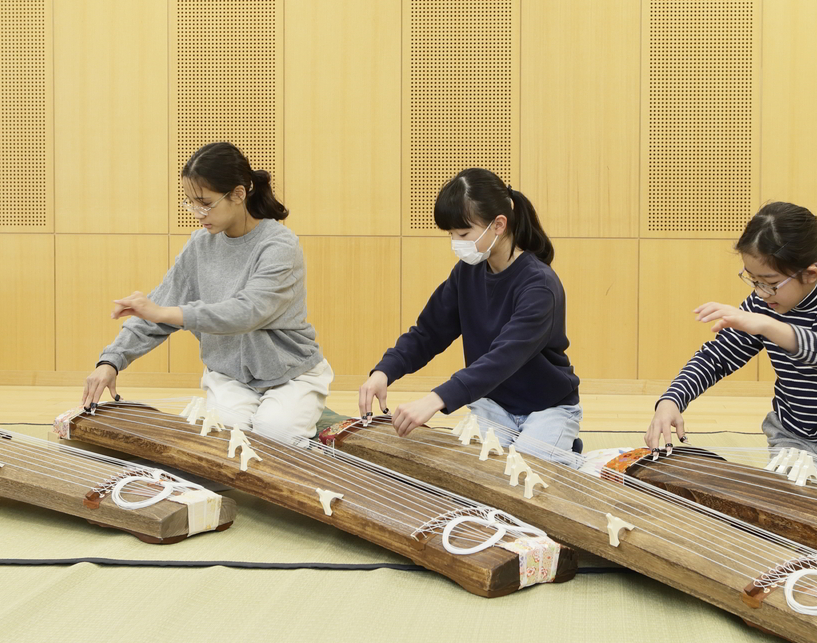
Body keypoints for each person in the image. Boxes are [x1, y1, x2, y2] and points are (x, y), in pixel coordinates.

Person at [81, 142, 331, 444]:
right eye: (190, 203)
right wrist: (110, 361)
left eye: (205, 203)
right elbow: (157, 308)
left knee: (274, 435)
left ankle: (303, 418)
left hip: (291, 374)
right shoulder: (200, 245)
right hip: (230, 376)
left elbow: (247, 312)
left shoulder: (280, 245)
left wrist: (163, 312)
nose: (197, 213)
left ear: (238, 194)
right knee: (226, 439)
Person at [646, 201, 817, 482]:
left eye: (769, 282)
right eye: (753, 279)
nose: (761, 292)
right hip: (795, 436)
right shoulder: (763, 304)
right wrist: (671, 400)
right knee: (790, 500)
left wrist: (767, 326)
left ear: (810, 274)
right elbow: (718, 356)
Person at [360, 169, 581, 460]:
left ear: (499, 225)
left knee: (524, 472)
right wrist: (384, 371)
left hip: (548, 408)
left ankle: (568, 452)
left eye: (463, 234)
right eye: (451, 234)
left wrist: (435, 399)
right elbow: (428, 332)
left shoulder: (539, 284)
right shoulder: (467, 273)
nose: (456, 243)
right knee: (472, 472)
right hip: (493, 404)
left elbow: (503, 358)